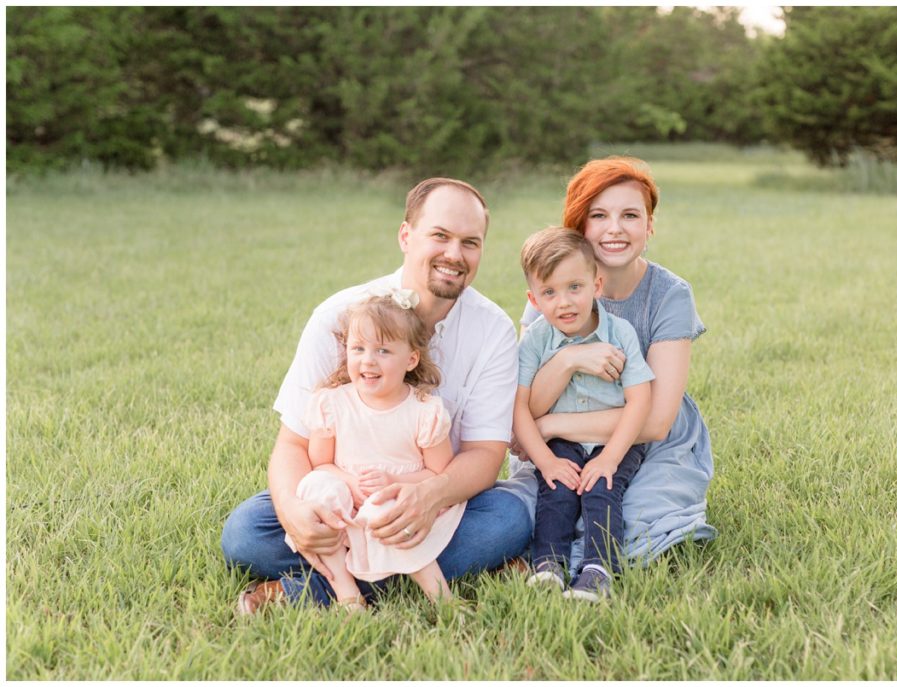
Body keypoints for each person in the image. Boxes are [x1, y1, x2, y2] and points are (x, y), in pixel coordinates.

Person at [223, 177, 531, 612]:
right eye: (440, 235)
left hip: (433, 504)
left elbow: (485, 454)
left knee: (509, 519)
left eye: (470, 242)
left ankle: (308, 592)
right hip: (343, 502)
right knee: (246, 534)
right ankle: (421, 573)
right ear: (406, 235)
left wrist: (428, 497)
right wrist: (293, 511)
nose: (454, 255)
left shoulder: (492, 330)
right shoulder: (338, 315)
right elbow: (293, 443)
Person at [506, 157, 717, 570]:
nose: (615, 228)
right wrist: (568, 359)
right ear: (578, 227)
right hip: (558, 445)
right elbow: (525, 406)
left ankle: (587, 567)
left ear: (649, 225)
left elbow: (655, 422)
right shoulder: (555, 291)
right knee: (533, 509)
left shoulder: (670, 294)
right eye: (599, 215)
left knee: (633, 521)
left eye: (630, 215)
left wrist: (549, 426)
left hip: (645, 442)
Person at [269, 292, 464, 614]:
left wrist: (393, 481)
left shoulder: (424, 411)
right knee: (317, 489)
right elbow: (321, 464)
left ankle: (441, 599)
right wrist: (347, 481)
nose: (368, 360)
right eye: (358, 349)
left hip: (398, 500)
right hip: (345, 501)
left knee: (383, 509)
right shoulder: (331, 404)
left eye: (383, 350)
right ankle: (347, 593)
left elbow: (438, 473)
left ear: (411, 359)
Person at [514, 227, 653, 601]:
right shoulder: (536, 340)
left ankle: (598, 569)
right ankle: (549, 564)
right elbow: (519, 408)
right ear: (534, 299)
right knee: (557, 488)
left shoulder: (619, 333)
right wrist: (545, 462)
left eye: (575, 287)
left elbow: (640, 401)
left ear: (597, 285)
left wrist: (609, 458)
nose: (564, 302)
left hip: (613, 437)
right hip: (563, 441)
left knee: (600, 488)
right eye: (549, 292)